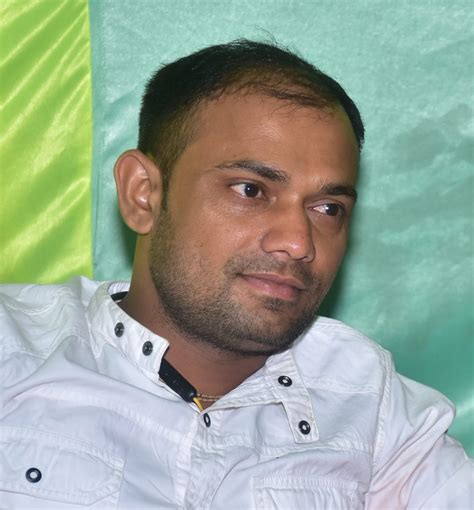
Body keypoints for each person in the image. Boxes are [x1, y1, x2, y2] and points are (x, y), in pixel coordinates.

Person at [0, 40, 471, 509]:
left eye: (328, 208)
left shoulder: (372, 408)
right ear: (143, 194)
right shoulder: (17, 353)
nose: (298, 242)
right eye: (251, 190)